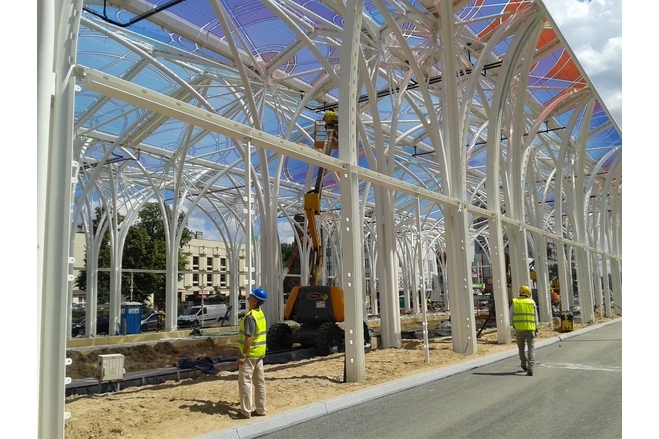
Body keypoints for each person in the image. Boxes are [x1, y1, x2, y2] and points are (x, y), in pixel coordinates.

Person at [236, 288, 268, 419]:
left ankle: (245, 411)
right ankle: (261, 409)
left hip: (250, 355)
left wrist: (243, 355)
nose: (248, 297)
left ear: (255, 300)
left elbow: (249, 337)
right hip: (259, 354)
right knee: (260, 382)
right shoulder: (259, 313)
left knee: (245, 382)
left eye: (250, 296)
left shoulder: (250, 317)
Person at [510, 285, 539, 376]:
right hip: (530, 329)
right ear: (528, 293)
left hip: (519, 330)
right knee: (531, 348)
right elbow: (535, 317)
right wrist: (536, 328)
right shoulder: (532, 302)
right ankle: (530, 369)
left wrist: (513, 325)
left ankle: (523, 364)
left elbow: (510, 316)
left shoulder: (515, 302)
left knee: (521, 348)